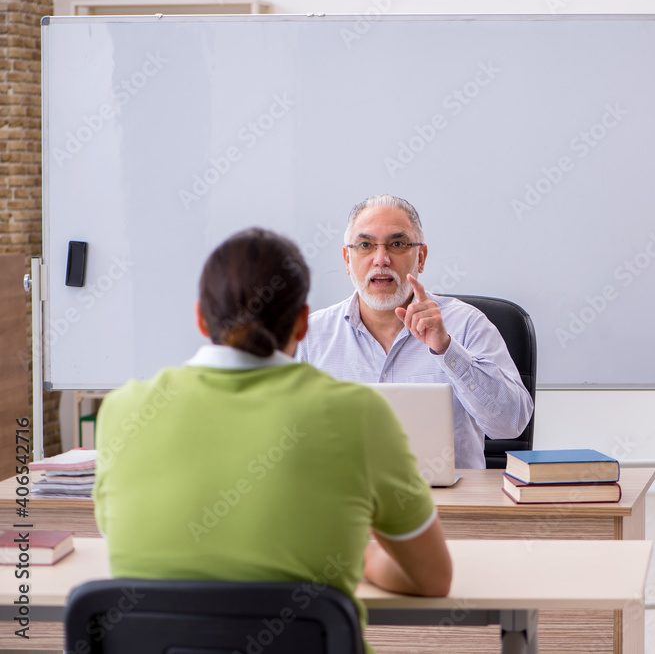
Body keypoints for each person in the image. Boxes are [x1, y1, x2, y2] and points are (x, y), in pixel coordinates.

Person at [93, 228, 451, 653]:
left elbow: (121, 540)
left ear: (201, 319)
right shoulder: (359, 414)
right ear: (303, 323)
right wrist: (363, 557)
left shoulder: (123, 410)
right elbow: (432, 579)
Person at [296, 194, 534, 469]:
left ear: (421, 257)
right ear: (347, 259)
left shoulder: (467, 324)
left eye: (397, 244)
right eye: (365, 245)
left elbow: (511, 425)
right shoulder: (311, 337)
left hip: (450, 496)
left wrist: (447, 350)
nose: (381, 259)